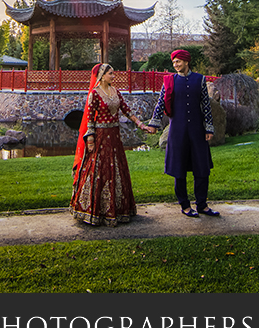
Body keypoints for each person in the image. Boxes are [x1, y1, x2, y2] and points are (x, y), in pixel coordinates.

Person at [70, 63, 155, 226]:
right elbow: (89, 118)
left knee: (117, 169)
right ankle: (96, 210)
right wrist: (90, 139)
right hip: (101, 137)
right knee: (98, 170)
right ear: (102, 76)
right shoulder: (94, 94)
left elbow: (127, 110)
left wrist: (141, 125)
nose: (113, 76)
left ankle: (118, 209)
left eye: (113, 73)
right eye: (110, 73)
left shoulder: (116, 92)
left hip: (115, 137)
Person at [147, 49, 219, 218]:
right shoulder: (169, 81)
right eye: (174, 63)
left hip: (197, 130)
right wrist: (154, 124)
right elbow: (160, 104)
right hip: (177, 131)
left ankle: (202, 204)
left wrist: (209, 128)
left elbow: (206, 106)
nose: (176, 65)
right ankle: (185, 205)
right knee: (178, 169)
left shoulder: (199, 79)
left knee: (202, 168)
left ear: (187, 62)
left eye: (178, 61)